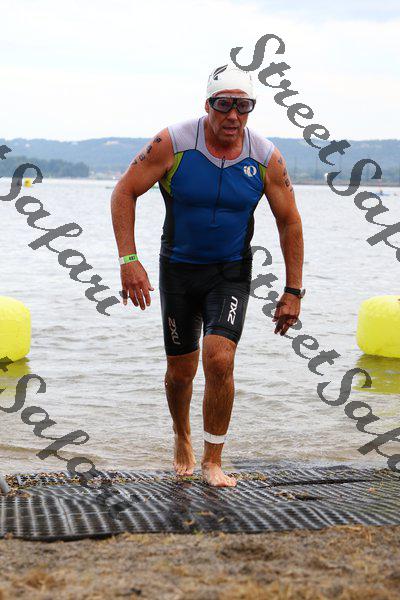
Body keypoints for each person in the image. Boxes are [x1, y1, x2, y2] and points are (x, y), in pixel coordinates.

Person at [111, 64, 304, 487]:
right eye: (223, 104)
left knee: (220, 358)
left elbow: (289, 221)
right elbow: (124, 191)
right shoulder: (173, 143)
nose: (233, 115)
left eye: (243, 106)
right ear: (208, 105)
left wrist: (293, 290)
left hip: (230, 271)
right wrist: (129, 260)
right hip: (178, 270)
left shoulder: (266, 157)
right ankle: (181, 434)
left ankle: (213, 459)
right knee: (181, 373)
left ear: (251, 109)